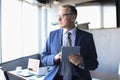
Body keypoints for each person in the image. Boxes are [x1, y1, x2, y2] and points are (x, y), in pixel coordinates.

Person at [41, 4, 99, 80]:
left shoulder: (87, 37)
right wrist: (55, 58)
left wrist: (82, 62)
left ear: (73, 17)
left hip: (79, 77)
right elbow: (44, 58)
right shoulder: (52, 35)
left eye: (62, 16)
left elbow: (94, 64)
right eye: (58, 16)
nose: (59, 19)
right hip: (55, 77)